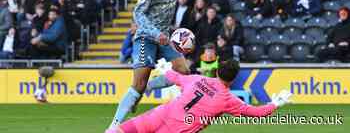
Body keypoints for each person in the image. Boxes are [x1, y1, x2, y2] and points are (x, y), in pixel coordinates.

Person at [106, 0, 191, 130]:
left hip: (164, 37)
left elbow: (162, 12)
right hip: (146, 38)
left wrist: (170, 30)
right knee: (138, 84)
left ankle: (150, 87)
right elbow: (138, 12)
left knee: (183, 71)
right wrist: (154, 32)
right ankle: (114, 127)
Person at [106, 60, 292, 133]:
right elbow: (256, 113)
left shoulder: (197, 79)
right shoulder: (228, 100)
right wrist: (275, 103)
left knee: (119, 131)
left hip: (160, 114)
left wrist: (165, 68)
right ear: (234, 78)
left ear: (217, 71)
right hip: (177, 130)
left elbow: (177, 77)